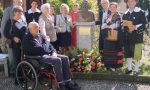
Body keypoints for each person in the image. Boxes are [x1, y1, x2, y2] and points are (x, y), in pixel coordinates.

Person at [23, 22, 77, 90]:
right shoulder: (27, 38)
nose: (38, 29)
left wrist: (53, 52)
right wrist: (47, 42)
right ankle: (60, 83)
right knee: (57, 60)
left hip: (47, 54)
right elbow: (40, 49)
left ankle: (67, 81)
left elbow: (50, 46)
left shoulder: (40, 36)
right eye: (36, 27)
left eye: (38, 27)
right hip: (37, 57)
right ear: (30, 29)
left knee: (65, 58)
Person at [122, 0, 147, 75]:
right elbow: (122, 24)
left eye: (132, 1)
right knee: (128, 53)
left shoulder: (141, 12)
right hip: (127, 37)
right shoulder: (125, 13)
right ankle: (129, 69)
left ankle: (136, 70)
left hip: (137, 37)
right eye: (128, 2)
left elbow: (145, 24)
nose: (130, 3)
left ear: (136, 2)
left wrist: (135, 27)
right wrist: (123, 25)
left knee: (137, 53)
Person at [4, 6, 27, 84]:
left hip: (24, 44)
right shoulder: (10, 22)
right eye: (19, 11)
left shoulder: (22, 21)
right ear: (14, 12)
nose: (21, 13)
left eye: (21, 11)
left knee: (23, 61)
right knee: (17, 62)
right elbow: (5, 33)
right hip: (15, 45)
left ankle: (24, 77)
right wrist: (13, 37)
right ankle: (17, 80)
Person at [0, 0, 24, 75]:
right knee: (12, 57)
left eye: (21, 2)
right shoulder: (8, 10)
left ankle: (19, 71)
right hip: (10, 40)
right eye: (18, 1)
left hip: (20, 41)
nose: (20, 3)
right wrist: (5, 39)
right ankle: (13, 72)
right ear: (14, 2)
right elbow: (4, 26)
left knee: (18, 57)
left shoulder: (22, 13)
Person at [101, 2, 123, 70]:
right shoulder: (108, 15)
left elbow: (117, 25)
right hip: (108, 36)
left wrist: (107, 26)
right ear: (109, 8)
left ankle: (115, 66)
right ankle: (109, 66)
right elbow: (103, 24)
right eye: (111, 7)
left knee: (114, 51)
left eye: (114, 7)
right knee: (108, 50)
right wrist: (106, 26)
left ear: (116, 8)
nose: (112, 8)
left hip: (114, 36)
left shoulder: (118, 15)